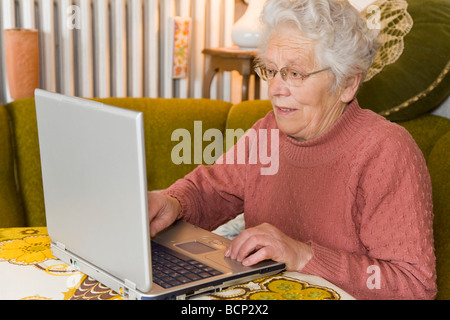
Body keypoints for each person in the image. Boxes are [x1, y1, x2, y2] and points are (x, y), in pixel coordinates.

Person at [148, 0, 436, 299]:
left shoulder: (386, 150)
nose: (275, 88)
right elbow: (212, 190)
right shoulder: (269, 130)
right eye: (271, 70)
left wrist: (303, 255)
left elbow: (413, 285)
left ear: (348, 83)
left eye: (295, 73)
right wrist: (172, 203)